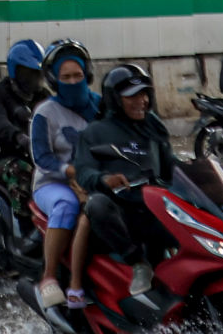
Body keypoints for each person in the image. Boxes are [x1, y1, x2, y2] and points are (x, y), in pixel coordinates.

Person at [73, 65, 181, 281]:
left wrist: (199, 171)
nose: (141, 101)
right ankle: (137, 262)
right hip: (121, 214)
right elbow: (83, 172)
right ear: (115, 99)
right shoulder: (95, 132)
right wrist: (105, 180)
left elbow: (171, 164)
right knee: (97, 205)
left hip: (155, 209)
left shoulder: (153, 127)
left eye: (144, 94)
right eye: (132, 96)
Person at [28, 62, 94, 310]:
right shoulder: (45, 112)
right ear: (54, 80)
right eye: (66, 77)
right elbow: (41, 157)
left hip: (92, 179)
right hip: (53, 183)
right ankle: (49, 275)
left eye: (78, 75)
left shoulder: (98, 106)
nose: (74, 81)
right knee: (67, 205)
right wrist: (70, 171)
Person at [0, 39, 51, 198]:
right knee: (21, 171)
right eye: (30, 73)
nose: (35, 78)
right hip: (4, 159)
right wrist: (19, 137)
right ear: (16, 71)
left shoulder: (44, 97)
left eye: (38, 73)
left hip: (40, 157)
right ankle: (23, 221)